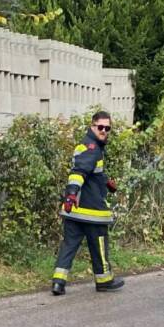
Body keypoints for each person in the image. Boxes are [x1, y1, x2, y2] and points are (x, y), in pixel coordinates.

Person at [51, 110, 124, 295]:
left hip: (73, 211)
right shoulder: (93, 148)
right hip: (91, 212)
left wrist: (105, 182)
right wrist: (72, 193)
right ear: (92, 126)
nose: (104, 131)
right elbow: (79, 172)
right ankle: (104, 281)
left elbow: (90, 171)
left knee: (69, 245)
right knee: (99, 245)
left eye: (107, 128)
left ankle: (58, 282)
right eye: (100, 127)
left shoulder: (84, 146)